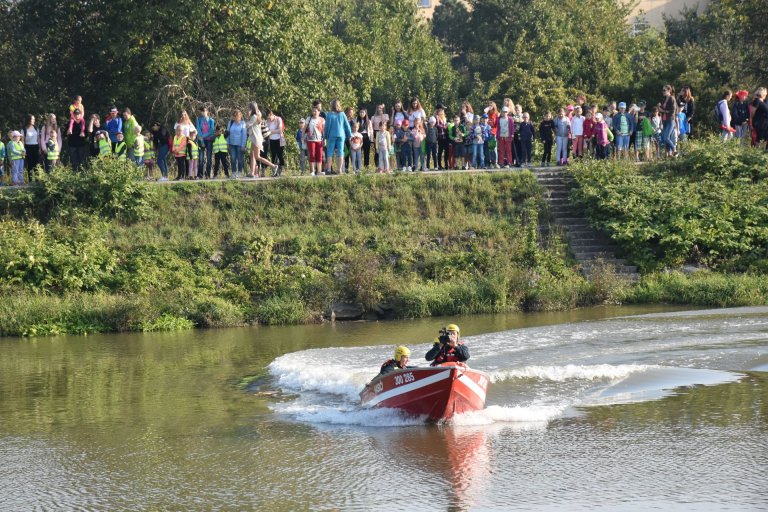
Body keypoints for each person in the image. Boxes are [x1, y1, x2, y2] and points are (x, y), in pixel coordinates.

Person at [246, 102, 278, 178]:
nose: (248, 109)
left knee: (257, 156)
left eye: (249, 108)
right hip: (254, 137)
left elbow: (248, 125)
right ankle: (252, 173)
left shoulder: (254, 116)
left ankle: (273, 166)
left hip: (256, 138)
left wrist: (247, 117)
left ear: (252, 108)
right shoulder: (257, 114)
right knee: (252, 154)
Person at [323, 99, 352, 175]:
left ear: (331, 105)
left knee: (330, 152)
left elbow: (326, 127)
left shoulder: (329, 114)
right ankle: (339, 170)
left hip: (331, 135)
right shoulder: (342, 114)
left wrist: (325, 137)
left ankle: (328, 170)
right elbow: (347, 126)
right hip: (341, 135)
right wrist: (350, 135)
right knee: (340, 152)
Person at [226, 110, 247, 178]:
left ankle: (240, 172)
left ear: (240, 116)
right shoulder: (230, 123)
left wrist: (243, 145)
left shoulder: (243, 123)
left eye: (237, 116)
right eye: (234, 116)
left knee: (240, 159)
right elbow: (227, 133)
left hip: (239, 144)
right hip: (232, 144)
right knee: (232, 158)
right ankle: (234, 172)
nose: (235, 117)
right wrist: (228, 143)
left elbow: (244, 135)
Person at [196, 106, 215, 178]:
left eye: (204, 111)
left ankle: (207, 174)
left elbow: (211, 131)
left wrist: (203, 136)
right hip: (201, 141)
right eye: (202, 111)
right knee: (201, 158)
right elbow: (198, 130)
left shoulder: (211, 120)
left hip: (209, 140)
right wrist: (202, 140)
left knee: (209, 158)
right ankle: (200, 175)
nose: (203, 112)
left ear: (207, 111)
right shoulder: (198, 119)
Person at [23, 114, 40, 180]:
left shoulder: (36, 128)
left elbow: (38, 138)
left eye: (34, 119)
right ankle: (30, 180)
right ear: (28, 120)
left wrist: (40, 148)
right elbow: (23, 141)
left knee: (37, 164)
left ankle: (37, 180)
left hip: (36, 146)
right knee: (30, 164)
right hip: (28, 147)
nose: (34, 120)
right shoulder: (24, 129)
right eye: (32, 119)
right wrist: (23, 150)